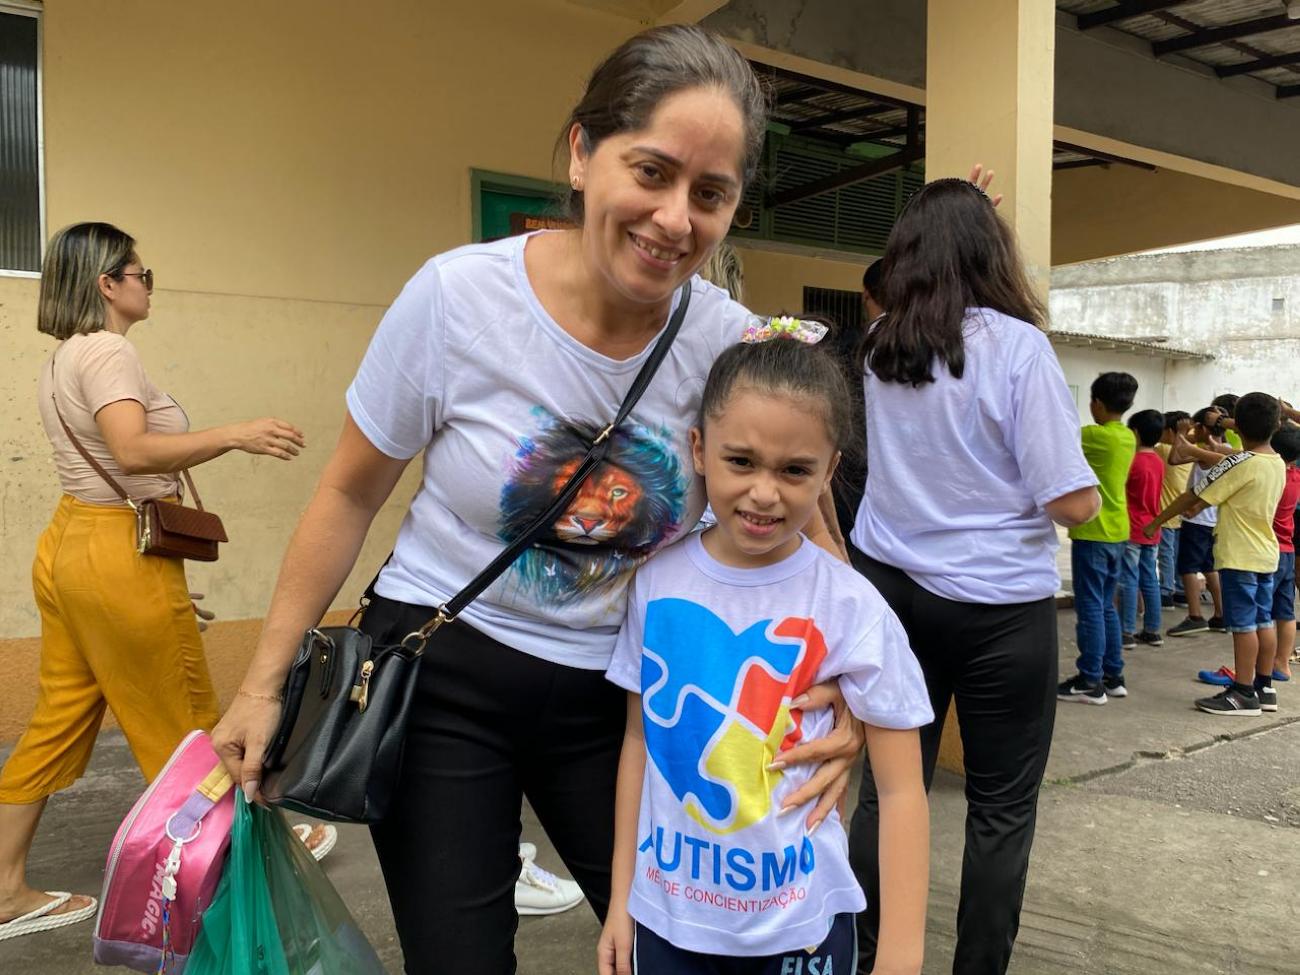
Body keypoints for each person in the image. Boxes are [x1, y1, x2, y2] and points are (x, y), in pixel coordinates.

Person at [210, 26, 864, 973]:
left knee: (684, 945)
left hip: (629, 694)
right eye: (652, 171)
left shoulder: (732, 347)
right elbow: (349, 493)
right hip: (441, 675)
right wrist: (261, 687)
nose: (674, 218)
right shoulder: (456, 299)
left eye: (710, 194)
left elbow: (814, 542)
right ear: (582, 153)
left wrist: (845, 691)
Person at [0, 222, 308, 941]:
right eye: (140, 274)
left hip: (71, 544)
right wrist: (237, 433)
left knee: (56, 719)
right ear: (107, 283)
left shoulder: (63, 357)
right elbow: (134, 452)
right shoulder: (109, 351)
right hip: (116, 547)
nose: (148, 285)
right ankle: (244, 859)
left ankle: (6, 888)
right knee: (186, 711)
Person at [599, 336, 932, 975]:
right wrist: (622, 901)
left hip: (802, 929)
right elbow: (639, 743)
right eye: (742, 461)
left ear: (830, 472)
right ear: (699, 449)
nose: (764, 492)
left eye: (794, 470)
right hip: (666, 923)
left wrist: (900, 955)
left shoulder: (851, 605)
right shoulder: (656, 582)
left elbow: (900, 792)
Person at [848, 177, 1100, 975]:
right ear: (992, 251)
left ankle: (866, 954)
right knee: (1000, 807)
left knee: (888, 787)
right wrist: (1087, 493)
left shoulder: (878, 344)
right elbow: (1068, 500)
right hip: (999, 610)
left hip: (891, 593)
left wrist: (952, 201)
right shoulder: (1018, 348)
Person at [1145, 393, 1286, 715]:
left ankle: (1242, 692)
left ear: (1238, 426)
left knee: (1244, 626)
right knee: (1264, 621)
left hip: (1240, 556)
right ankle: (1264, 688)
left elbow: (1193, 496)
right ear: (1276, 425)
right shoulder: (1277, 461)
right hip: (1266, 554)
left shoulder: (1240, 463)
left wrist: (1156, 522)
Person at [1059, 372, 1138, 705]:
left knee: (1090, 606)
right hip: (1118, 530)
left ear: (1098, 404)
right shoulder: (1127, 436)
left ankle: (1090, 679)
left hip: (1094, 531)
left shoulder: (1094, 436)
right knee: (1106, 606)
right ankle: (1112, 675)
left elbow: (1057, 439)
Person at [1166, 408, 1232, 637]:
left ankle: (1195, 615)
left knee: (1188, 568)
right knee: (1209, 567)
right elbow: (1176, 459)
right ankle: (1221, 614)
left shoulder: (1206, 453)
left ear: (1203, 428)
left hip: (1197, 520)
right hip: (1214, 521)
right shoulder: (1227, 451)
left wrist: (1181, 433)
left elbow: (1174, 458)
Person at [1118, 409, 1166, 650]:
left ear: (1135, 433)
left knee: (1129, 579)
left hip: (1132, 528)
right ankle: (1152, 630)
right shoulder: (1158, 461)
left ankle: (1126, 631)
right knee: (1150, 579)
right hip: (1152, 528)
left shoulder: (1132, 461)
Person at [1156, 411, 1192, 607]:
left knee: (1166, 554)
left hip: (1166, 512)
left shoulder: (1163, 449)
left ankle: (1166, 591)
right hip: (1185, 513)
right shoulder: (1193, 451)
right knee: (1178, 554)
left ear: (1170, 432)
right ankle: (1180, 590)